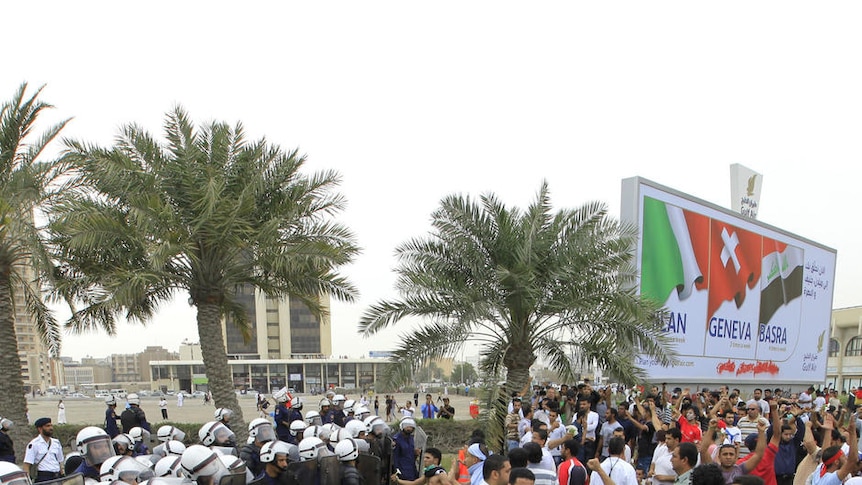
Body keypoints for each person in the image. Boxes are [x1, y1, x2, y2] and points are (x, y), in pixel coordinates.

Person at [22, 418, 63, 483]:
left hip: (57, 476)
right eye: (47, 426)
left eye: (51, 426)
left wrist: (62, 475)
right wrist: (27, 481)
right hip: (43, 477)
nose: (51, 428)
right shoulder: (34, 444)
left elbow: (60, 461)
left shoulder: (56, 443)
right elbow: (27, 465)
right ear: (40, 429)